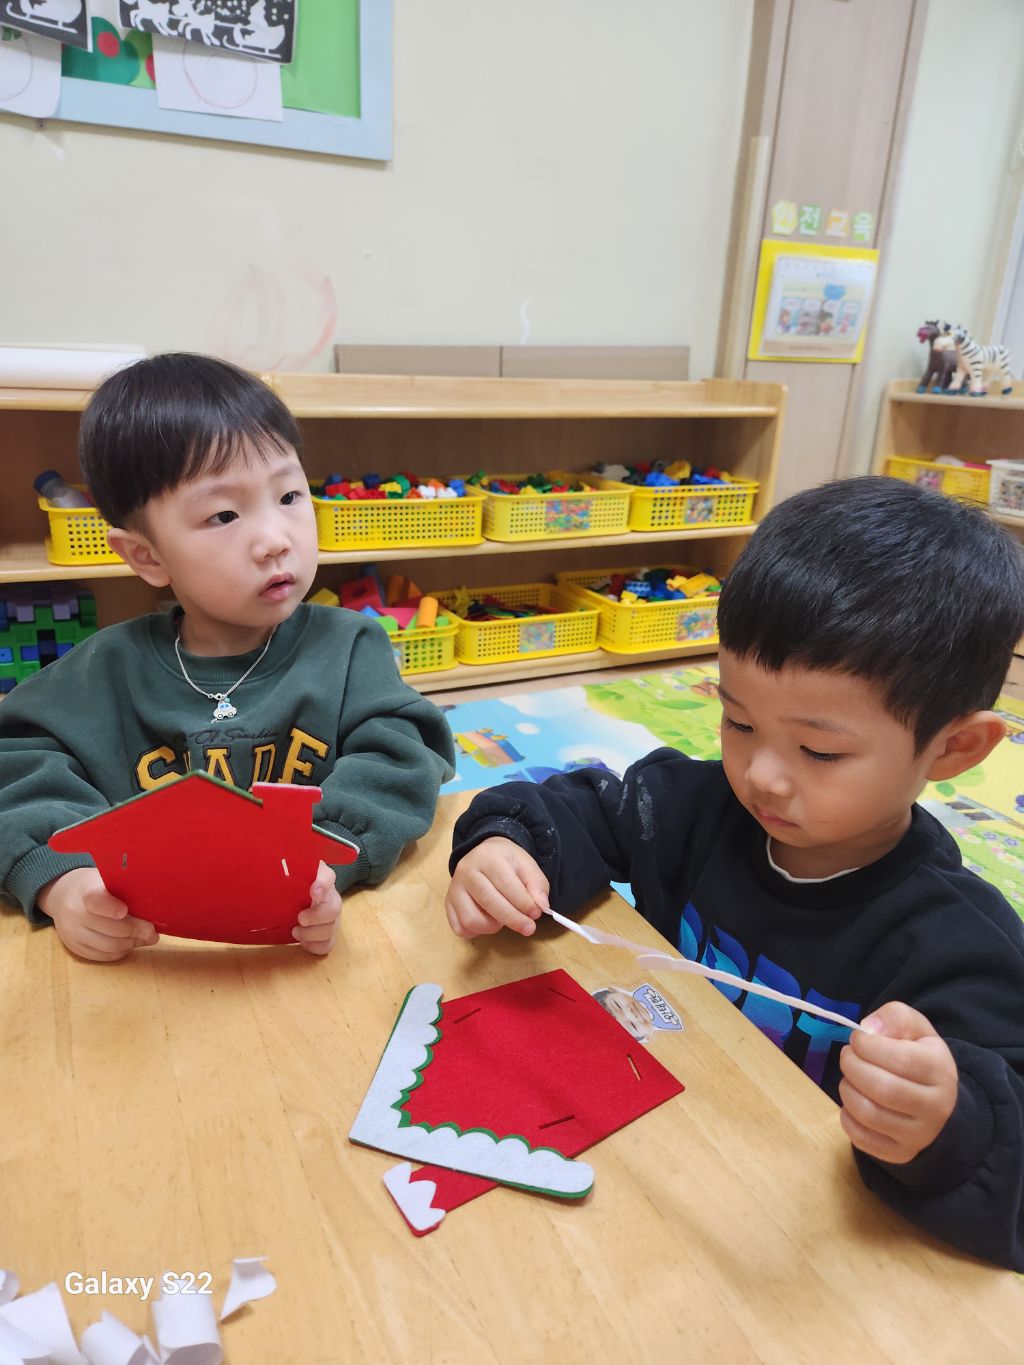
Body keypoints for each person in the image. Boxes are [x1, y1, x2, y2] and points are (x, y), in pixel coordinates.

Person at [445, 476, 1024, 1270]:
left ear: (955, 748)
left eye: (819, 750)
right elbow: (573, 808)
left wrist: (946, 1126)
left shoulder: (961, 948)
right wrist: (504, 846)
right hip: (646, 1165)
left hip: (786, 1248)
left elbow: (1009, 1160)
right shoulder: (695, 806)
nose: (762, 775)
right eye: (738, 719)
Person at [0, 353, 455, 961]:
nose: (276, 539)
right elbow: (15, 765)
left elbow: (403, 754)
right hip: (149, 955)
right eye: (223, 515)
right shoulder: (105, 669)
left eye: (289, 495)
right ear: (147, 557)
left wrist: (326, 856)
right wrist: (63, 880)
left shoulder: (349, 647)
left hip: (300, 949)